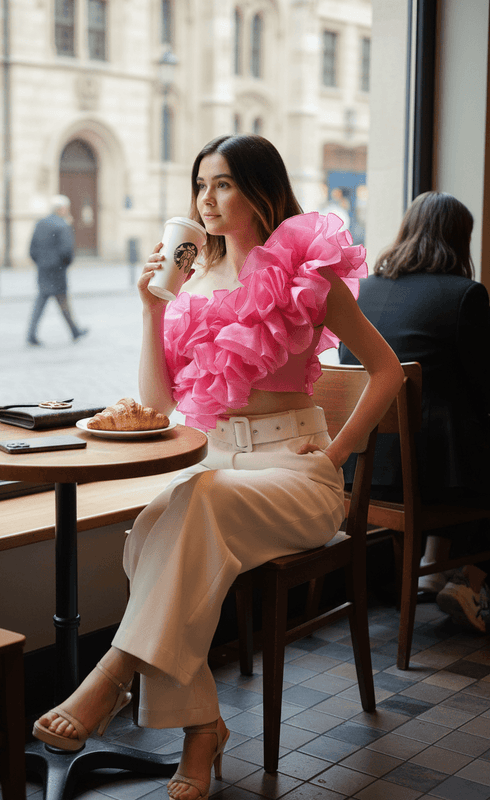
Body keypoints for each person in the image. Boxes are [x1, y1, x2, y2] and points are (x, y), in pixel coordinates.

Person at [32, 135, 403, 800]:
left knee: (188, 506)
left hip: (295, 471)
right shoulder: (192, 280)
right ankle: (201, 727)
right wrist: (152, 311)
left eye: (224, 183)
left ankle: (112, 675)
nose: (206, 199)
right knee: (147, 530)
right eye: (200, 183)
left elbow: (385, 371)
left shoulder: (303, 272)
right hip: (217, 467)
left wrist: (338, 452)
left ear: (260, 190)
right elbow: (156, 403)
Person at [339, 191, 490, 625]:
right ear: (461, 240)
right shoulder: (465, 295)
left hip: (362, 472)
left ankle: (431, 577)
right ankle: (469, 581)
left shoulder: (362, 291)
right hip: (426, 479)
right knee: (466, 453)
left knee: (448, 441)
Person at [26, 194, 88, 345]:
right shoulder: (62, 225)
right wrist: (64, 265)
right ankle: (74, 331)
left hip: (43, 269)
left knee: (45, 300)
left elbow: (32, 249)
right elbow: (67, 251)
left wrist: (40, 262)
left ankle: (33, 333)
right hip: (57, 270)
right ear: (62, 209)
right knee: (61, 300)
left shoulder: (40, 223)